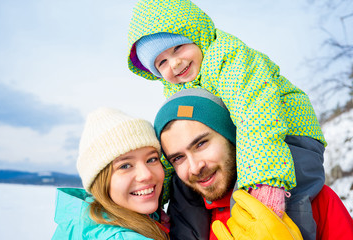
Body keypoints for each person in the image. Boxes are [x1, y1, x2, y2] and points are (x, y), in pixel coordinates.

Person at [127, 0, 326, 238]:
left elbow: (256, 113)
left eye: (178, 47)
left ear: (196, 33)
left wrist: (266, 181)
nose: (175, 63)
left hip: (288, 136)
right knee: (185, 188)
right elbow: (174, 146)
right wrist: (157, 196)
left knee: (266, 206)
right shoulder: (178, 88)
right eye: (162, 62)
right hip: (244, 145)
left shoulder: (227, 58)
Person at [154, 88, 353, 240]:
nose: (195, 166)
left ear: (232, 136)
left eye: (201, 144)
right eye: (178, 158)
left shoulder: (315, 201)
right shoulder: (174, 228)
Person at [52, 107, 170, 240]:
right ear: (100, 181)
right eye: (125, 166)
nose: (146, 175)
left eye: (151, 159)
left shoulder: (83, 222)